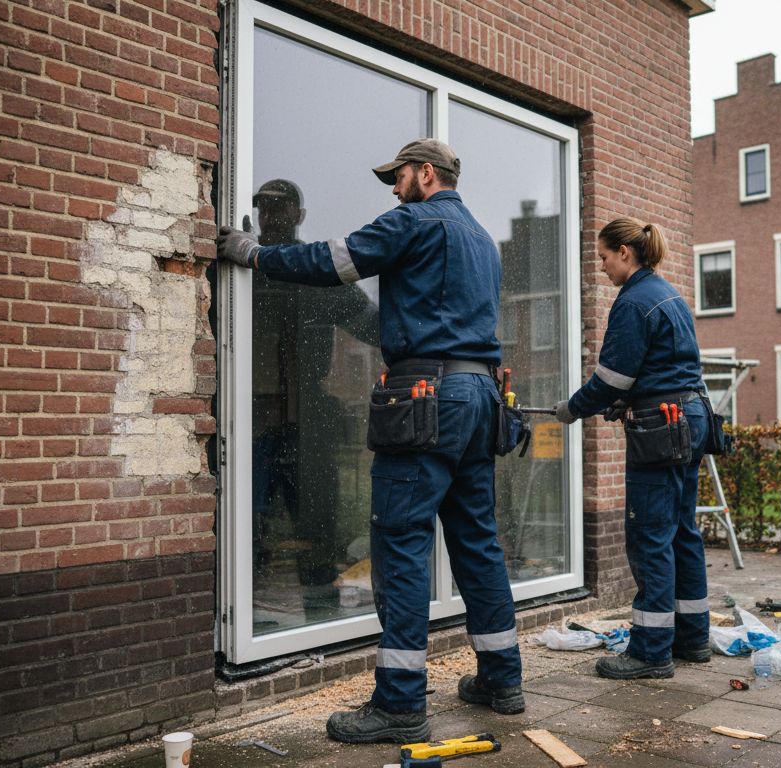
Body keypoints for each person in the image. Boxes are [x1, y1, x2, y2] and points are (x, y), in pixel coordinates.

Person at [217, 140, 524, 744]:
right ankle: (502, 679)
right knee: (478, 545)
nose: (393, 187)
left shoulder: (414, 220)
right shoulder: (482, 240)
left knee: (402, 545)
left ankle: (401, 703)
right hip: (479, 397)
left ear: (426, 174)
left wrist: (253, 253)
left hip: (425, 398)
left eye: (399, 176)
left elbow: (334, 262)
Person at [553, 217, 711, 680]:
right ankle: (692, 639)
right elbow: (662, 367)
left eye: (603, 257)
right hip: (691, 417)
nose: (600, 267)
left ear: (625, 252)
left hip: (661, 428)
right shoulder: (668, 293)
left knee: (650, 535)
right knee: (683, 530)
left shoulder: (632, 302)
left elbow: (612, 378)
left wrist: (572, 409)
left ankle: (650, 652)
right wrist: (626, 399)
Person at [246, 179, 378, 616]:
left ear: (298, 215)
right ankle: (245, 614)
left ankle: (321, 616)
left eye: (281, 208)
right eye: (264, 208)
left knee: (318, 521)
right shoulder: (242, 272)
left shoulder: (316, 275)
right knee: (249, 520)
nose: (271, 216)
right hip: (249, 415)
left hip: (309, 418)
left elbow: (371, 325)